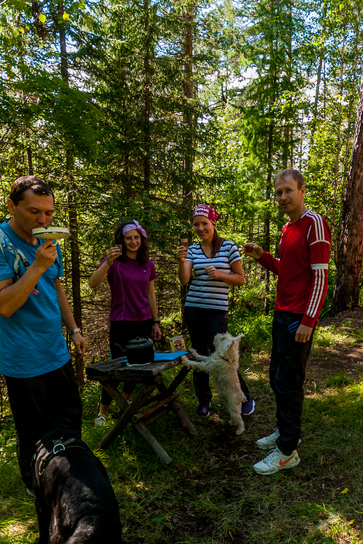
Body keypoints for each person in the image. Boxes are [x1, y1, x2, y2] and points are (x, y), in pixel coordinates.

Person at [0, 175, 87, 494]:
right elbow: (4, 305)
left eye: (49, 213)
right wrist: (35, 266)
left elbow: (56, 287)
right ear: (12, 205)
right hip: (21, 357)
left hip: (55, 350)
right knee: (33, 431)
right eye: (35, 211)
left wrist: (73, 329)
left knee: (69, 419)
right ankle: (37, 488)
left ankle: (71, 475)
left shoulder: (47, 242)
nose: (44, 219)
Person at [242, 169, 330, 475]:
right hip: (282, 313)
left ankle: (287, 451)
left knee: (290, 383)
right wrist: (263, 257)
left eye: (288, 191)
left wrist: (309, 320)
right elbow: (289, 270)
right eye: (278, 192)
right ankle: (285, 432)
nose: (282, 197)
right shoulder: (287, 229)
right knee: (278, 378)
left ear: (302, 190)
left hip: (298, 319)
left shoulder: (314, 224)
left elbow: (321, 276)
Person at [177, 204, 255, 419]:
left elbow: (240, 279)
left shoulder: (229, 247)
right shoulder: (192, 249)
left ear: (213, 223)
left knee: (224, 356)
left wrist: (220, 274)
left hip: (216, 311)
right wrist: (182, 261)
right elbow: (184, 280)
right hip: (193, 309)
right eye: (196, 224)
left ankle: (244, 397)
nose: (200, 228)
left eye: (205, 223)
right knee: (198, 354)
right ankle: (204, 400)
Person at [89, 220, 163, 425]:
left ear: (142, 239)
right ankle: (102, 413)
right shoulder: (114, 262)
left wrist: (155, 322)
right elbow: (93, 283)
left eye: (136, 237)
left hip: (143, 322)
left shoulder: (148, 264)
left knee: (138, 367)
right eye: (128, 238)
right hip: (121, 322)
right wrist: (107, 262)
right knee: (115, 369)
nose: (133, 241)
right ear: (121, 240)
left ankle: (126, 404)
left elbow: (150, 295)